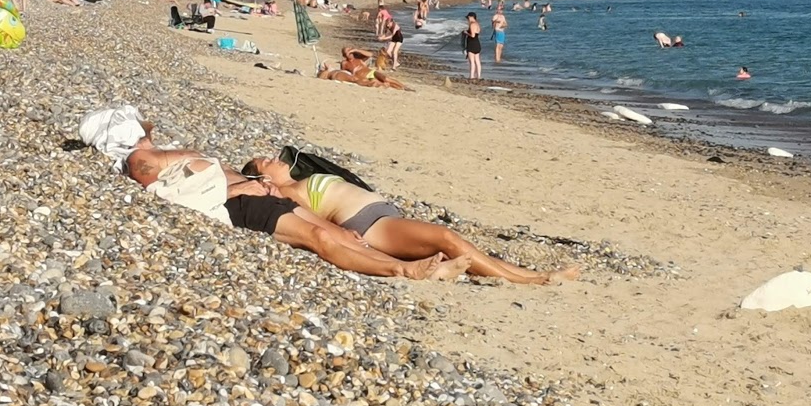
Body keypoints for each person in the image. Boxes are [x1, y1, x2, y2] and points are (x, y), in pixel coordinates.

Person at [120, 131, 466, 281]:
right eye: (140, 135)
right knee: (319, 238)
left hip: (257, 191)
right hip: (242, 203)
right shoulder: (143, 161)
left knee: (344, 236)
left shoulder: (162, 151)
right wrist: (244, 187)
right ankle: (401, 270)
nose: (146, 135)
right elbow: (184, 195)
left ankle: (426, 270)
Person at [244, 157, 579, 285]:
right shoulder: (291, 192)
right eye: (264, 161)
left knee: (463, 249)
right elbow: (310, 219)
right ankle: (527, 282)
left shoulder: (299, 178)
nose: (271, 157)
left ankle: (538, 275)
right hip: (371, 226)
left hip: (382, 217)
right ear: (263, 177)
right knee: (448, 239)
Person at [462, 11, 483, 80]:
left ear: (471, 17)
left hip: (472, 44)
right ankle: (479, 76)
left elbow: (473, 35)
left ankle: (472, 76)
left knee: (472, 61)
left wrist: (466, 33)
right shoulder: (477, 24)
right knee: (477, 61)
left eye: (468, 18)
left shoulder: (472, 24)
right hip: (477, 43)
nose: (468, 19)